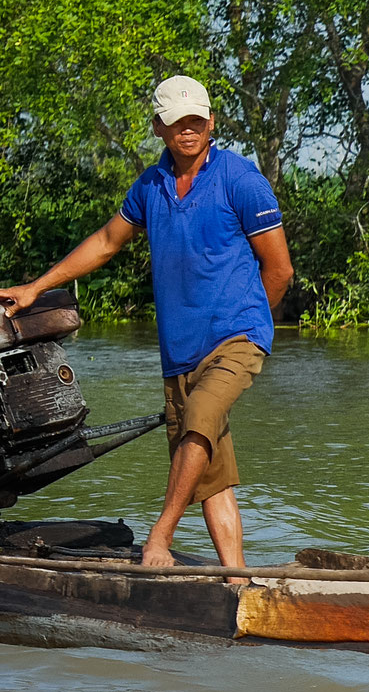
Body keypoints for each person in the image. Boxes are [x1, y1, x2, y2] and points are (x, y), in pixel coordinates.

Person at [0, 75, 293, 573]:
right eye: (177, 123)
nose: (188, 130)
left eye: (197, 121)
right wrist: (35, 286)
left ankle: (160, 537)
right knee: (210, 471)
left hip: (237, 337)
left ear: (211, 122)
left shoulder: (241, 180)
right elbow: (107, 242)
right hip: (180, 351)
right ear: (159, 127)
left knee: (200, 419)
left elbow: (279, 269)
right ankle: (238, 581)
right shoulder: (150, 186)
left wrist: (247, 323)